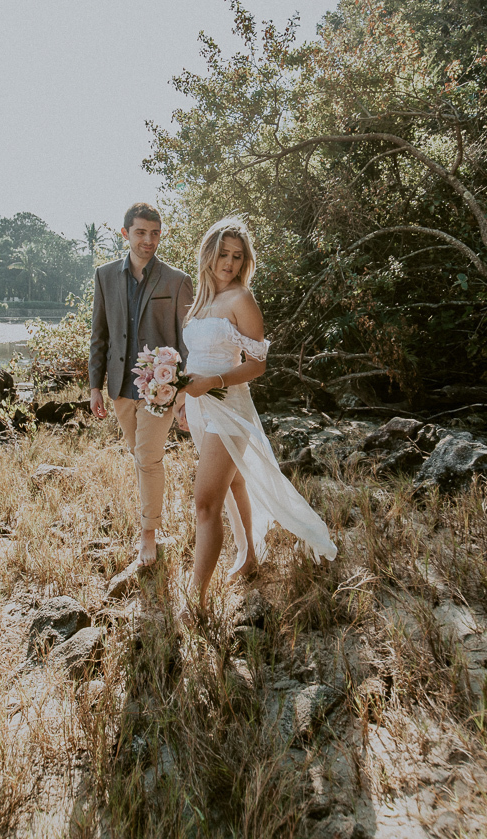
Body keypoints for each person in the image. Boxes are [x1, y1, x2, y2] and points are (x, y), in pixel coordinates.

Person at [178, 217, 337, 620]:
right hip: (199, 405)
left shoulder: (240, 300)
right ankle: (249, 557)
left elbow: (258, 366)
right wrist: (181, 399)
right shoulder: (199, 302)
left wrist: (212, 380)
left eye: (237, 256)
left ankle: (194, 600)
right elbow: (194, 359)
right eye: (223, 254)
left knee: (204, 502)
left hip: (229, 407)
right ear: (208, 254)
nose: (229, 263)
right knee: (233, 484)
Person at [89, 202, 194, 567]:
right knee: (141, 458)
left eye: (154, 233)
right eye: (140, 232)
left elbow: (187, 341)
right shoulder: (104, 276)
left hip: (161, 388)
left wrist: (181, 393)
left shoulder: (177, 281)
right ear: (125, 234)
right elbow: (98, 335)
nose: (148, 240)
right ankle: (155, 515)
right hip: (120, 388)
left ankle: (148, 535)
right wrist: (94, 387)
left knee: (147, 458)